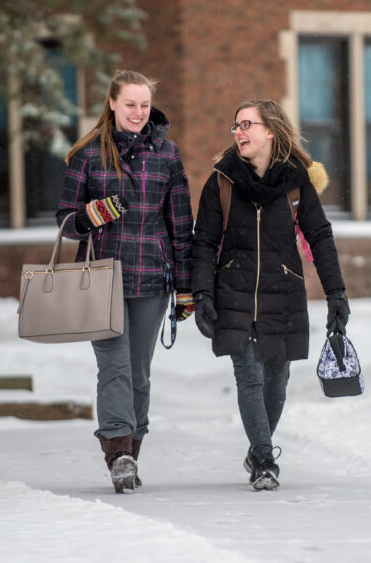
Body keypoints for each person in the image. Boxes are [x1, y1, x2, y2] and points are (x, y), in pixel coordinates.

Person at [191, 99, 350, 490]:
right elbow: (205, 241)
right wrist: (200, 293)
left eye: (247, 124)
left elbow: (320, 237)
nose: (239, 132)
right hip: (234, 292)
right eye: (236, 125)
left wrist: (336, 294)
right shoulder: (222, 181)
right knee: (249, 377)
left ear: (270, 132)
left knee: (277, 381)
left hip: (283, 293)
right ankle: (264, 459)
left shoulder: (297, 184)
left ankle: (257, 448)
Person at [57, 70, 194, 493]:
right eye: (130, 103)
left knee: (139, 374)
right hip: (102, 278)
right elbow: (64, 222)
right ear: (112, 103)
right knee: (114, 368)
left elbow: (180, 225)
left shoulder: (167, 155)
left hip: (153, 277)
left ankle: (133, 449)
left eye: (144, 105)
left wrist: (186, 287)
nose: (138, 112)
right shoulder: (87, 155)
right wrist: (93, 214)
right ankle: (118, 454)